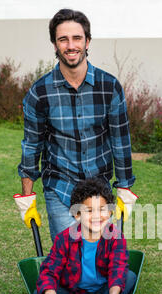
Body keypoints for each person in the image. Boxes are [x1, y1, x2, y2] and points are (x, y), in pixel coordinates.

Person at [14, 8, 137, 242]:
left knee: (101, 262)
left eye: (77, 38)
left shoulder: (109, 87)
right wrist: (27, 198)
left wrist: (124, 188)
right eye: (63, 39)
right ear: (55, 45)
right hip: (60, 188)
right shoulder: (40, 93)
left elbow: (121, 142)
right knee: (71, 262)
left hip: (100, 191)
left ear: (87, 41)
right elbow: (32, 146)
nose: (71, 45)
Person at [34, 178, 137, 294]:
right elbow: (49, 270)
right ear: (77, 215)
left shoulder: (115, 237)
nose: (96, 216)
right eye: (89, 211)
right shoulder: (64, 239)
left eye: (102, 209)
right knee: (41, 293)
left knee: (129, 276)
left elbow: (117, 268)